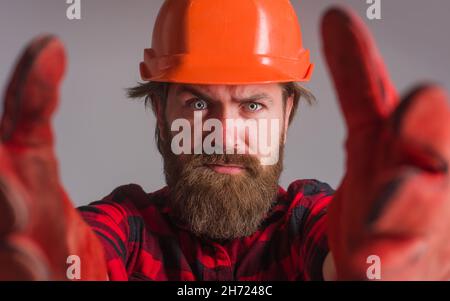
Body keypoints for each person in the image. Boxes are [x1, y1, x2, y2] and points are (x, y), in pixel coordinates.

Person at [0, 0, 449, 281]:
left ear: (287, 114)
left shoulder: (306, 223)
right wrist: (59, 259)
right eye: (197, 104)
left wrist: (370, 261)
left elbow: (340, 254)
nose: (225, 134)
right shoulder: (127, 228)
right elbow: (86, 251)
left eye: (252, 105)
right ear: (160, 111)